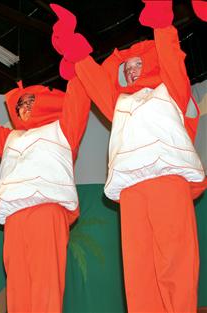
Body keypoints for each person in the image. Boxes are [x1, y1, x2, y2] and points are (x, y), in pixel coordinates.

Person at [49, 1, 206, 311]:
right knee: (138, 267)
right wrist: (73, 46)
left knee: (175, 259)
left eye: (138, 64)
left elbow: (172, 58)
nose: (133, 71)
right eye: (128, 67)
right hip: (132, 189)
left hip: (168, 180)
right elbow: (95, 82)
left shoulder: (170, 89)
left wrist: (161, 21)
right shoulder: (118, 103)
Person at [0, 53, 90, 312]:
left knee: (45, 285)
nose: (24, 108)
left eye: (30, 102)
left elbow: (78, 102)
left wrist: (76, 69)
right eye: (20, 105)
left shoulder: (63, 128)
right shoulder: (11, 138)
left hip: (47, 210)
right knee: (18, 287)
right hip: (14, 218)